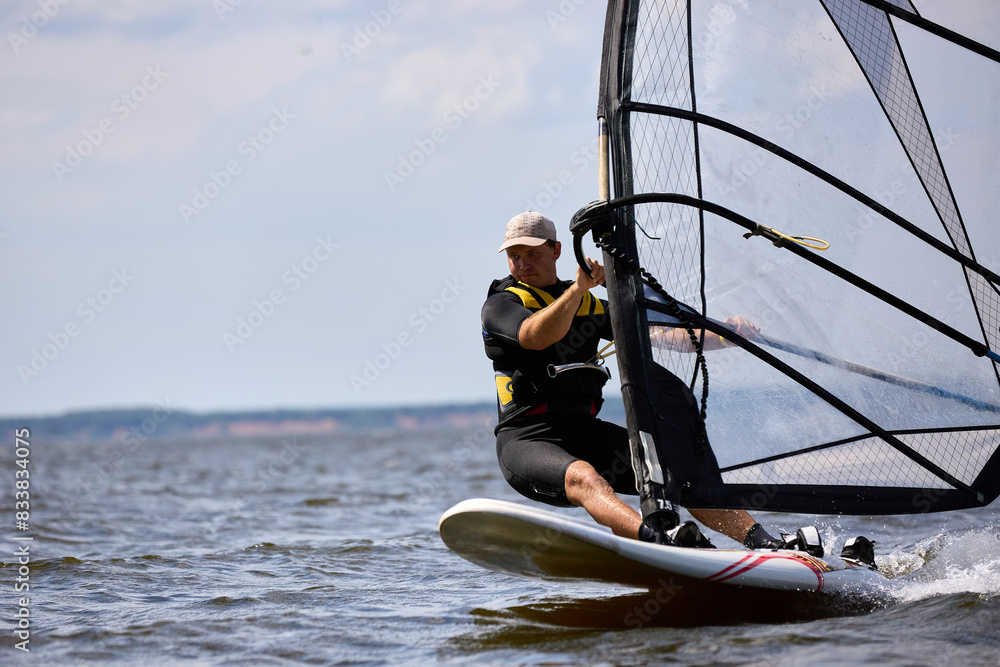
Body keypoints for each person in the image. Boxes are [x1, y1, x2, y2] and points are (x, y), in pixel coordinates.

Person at [481, 211, 793, 549]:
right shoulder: (501, 305)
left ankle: (766, 543)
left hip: (585, 432)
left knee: (674, 473)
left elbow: (661, 335)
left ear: (556, 251)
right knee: (584, 477)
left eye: (532, 254)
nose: (523, 264)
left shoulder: (587, 305)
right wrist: (578, 290)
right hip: (527, 441)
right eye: (514, 256)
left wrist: (725, 335)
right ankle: (659, 542)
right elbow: (534, 336)